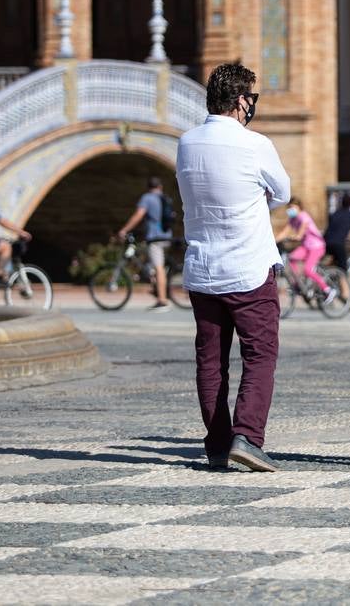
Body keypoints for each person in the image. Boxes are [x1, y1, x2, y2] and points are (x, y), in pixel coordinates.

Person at [176, 62, 290, 473]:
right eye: (250, 99)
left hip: (203, 268)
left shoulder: (186, 142)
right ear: (241, 100)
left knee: (210, 361)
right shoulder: (254, 144)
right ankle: (248, 437)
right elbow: (283, 191)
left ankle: (219, 444)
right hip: (248, 267)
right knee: (260, 354)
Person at [116, 177, 174, 311]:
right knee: (152, 264)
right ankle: (156, 287)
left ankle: (162, 300)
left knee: (158, 267)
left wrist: (124, 229)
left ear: (148, 187)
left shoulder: (147, 198)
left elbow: (139, 214)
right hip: (166, 236)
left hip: (155, 238)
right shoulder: (164, 198)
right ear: (160, 186)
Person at [274, 197, 337, 305]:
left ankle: (328, 290)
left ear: (299, 208)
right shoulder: (292, 219)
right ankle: (298, 285)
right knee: (291, 258)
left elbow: (300, 233)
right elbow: (284, 232)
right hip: (306, 247)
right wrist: (273, 241)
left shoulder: (304, 217)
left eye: (293, 207)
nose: (290, 210)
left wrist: (295, 236)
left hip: (317, 247)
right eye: (289, 208)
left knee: (308, 269)